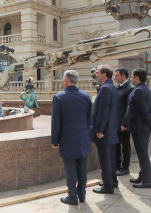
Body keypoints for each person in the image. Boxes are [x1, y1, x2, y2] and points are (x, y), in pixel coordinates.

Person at [51, 70, 92, 205]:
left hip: (68, 141)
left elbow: (56, 122)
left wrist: (54, 140)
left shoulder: (59, 97)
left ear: (65, 81)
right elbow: (89, 120)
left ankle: (72, 197)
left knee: (70, 170)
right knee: (82, 169)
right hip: (83, 140)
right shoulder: (86, 96)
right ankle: (82, 195)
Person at [123, 68, 151, 188]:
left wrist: (150, 123)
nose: (131, 79)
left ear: (137, 78)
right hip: (143, 127)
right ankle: (142, 176)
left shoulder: (138, 91)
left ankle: (147, 180)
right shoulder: (146, 89)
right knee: (142, 153)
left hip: (139, 127)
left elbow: (143, 110)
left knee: (143, 154)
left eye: (132, 77)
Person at [90, 65, 118, 194]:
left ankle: (108, 185)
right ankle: (112, 181)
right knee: (111, 158)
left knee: (105, 159)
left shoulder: (106, 89)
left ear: (105, 75)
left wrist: (99, 130)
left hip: (105, 132)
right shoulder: (111, 87)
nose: (96, 75)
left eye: (98, 73)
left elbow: (103, 112)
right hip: (111, 130)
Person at [114, 68, 134, 176]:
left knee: (125, 146)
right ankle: (117, 166)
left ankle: (125, 167)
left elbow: (128, 108)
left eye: (117, 75)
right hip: (116, 123)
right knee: (117, 145)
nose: (115, 77)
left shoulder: (130, 88)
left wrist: (124, 123)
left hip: (123, 124)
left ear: (123, 76)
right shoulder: (118, 88)